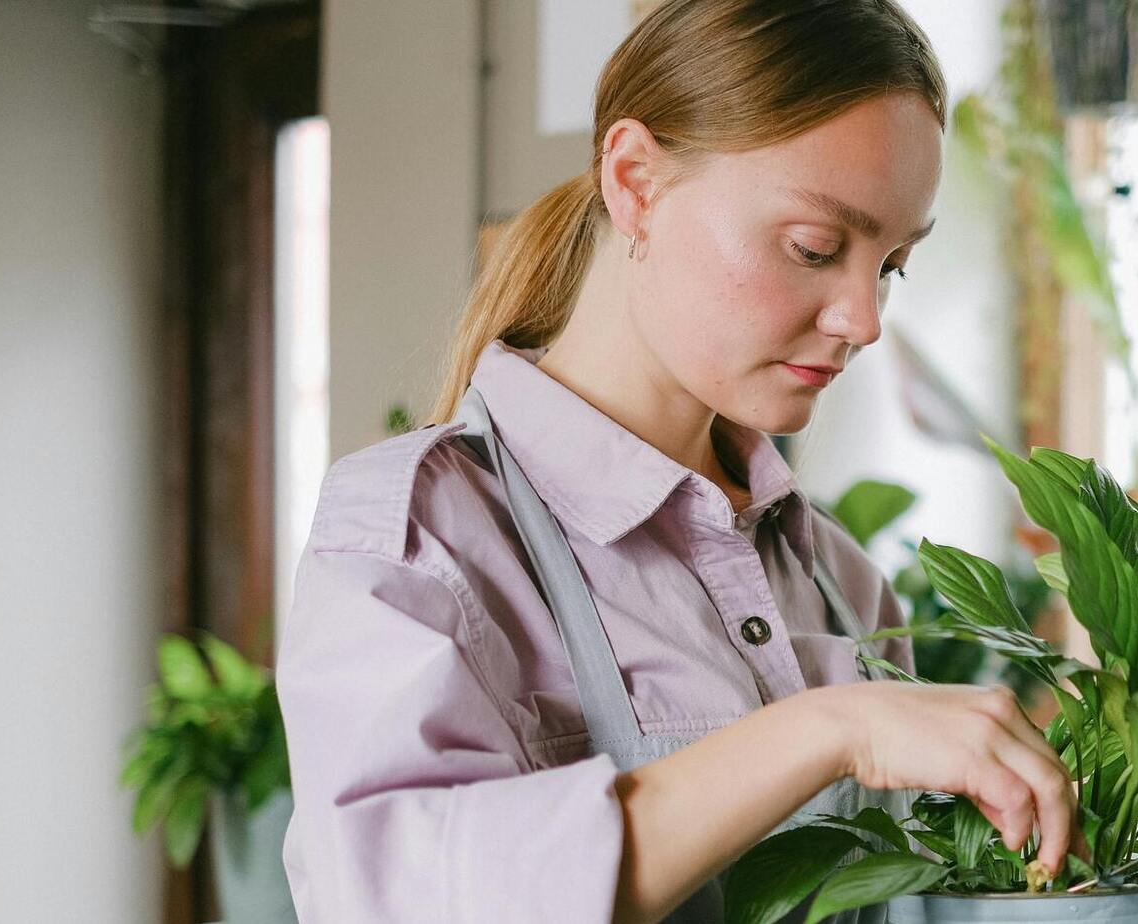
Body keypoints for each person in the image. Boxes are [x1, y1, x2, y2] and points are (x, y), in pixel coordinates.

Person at [275, 2, 1077, 922]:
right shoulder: (422, 536)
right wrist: (828, 729)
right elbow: (393, 902)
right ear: (635, 182)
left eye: (891, 264)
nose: (865, 319)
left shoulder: (839, 580)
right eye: (816, 247)